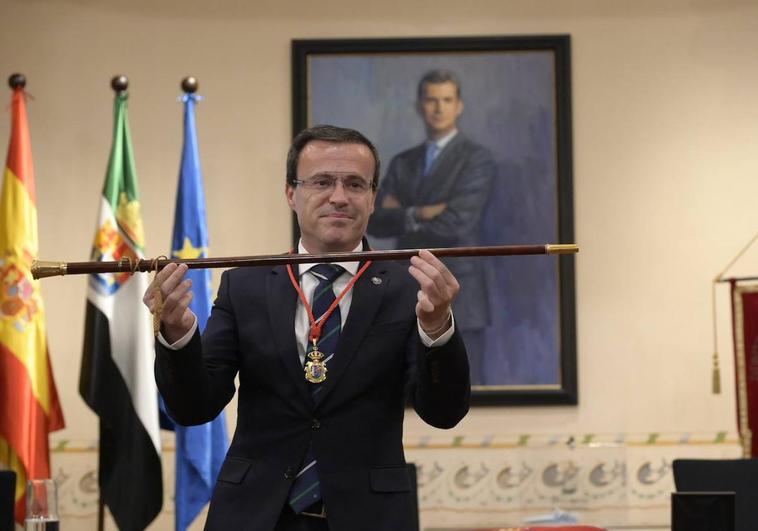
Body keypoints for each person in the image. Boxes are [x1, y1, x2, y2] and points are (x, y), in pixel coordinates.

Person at [144, 125, 470, 531]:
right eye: (321, 182)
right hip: (255, 515)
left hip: (370, 516)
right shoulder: (244, 284)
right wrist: (176, 335)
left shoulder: (410, 288)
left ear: (372, 198)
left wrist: (438, 327)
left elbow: (444, 413)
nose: (339, 197)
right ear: (290, 193)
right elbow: (194, 407)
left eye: (355, 184)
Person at [367, 69, 495, 385]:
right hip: (406, 290)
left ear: (459, 106)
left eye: (447, 100)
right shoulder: (402, 162)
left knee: (462, 391)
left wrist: (403, 213)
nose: (439, 108)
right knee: (408, 391)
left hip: (461, 293)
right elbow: (376, 220)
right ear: (419, 106)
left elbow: (457, 222)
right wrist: (423, 211)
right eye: (431, 100)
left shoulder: (476, 160)